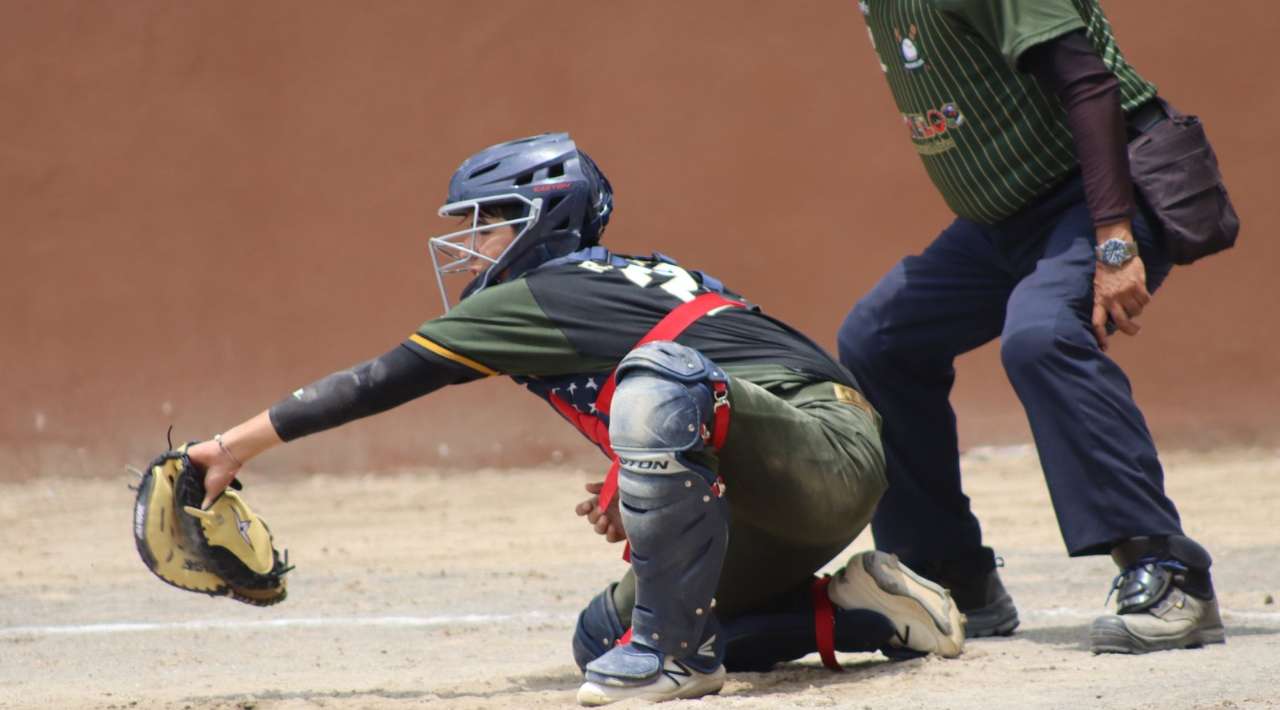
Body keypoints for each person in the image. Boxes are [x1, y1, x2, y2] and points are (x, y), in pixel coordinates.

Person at [182, 133, 965, 705]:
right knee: (600, 640)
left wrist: (232, 446)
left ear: (546, 219)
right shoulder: (624, 279)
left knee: (658, 384)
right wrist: (647, 471)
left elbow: (383, 379)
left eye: (489, 220)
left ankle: (675, 661)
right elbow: (701, 360)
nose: (470, 244)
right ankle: (861, 612)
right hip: (800, 465)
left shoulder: (544, 290)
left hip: (823, 448)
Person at [838, 0, 1228, 653]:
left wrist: (1112, 238)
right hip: (1004, 224)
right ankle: (951, 577)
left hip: (1102, 191)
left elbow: (1088, 81)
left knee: (1041, 334)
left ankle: (1169, 572)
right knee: (879, 336)